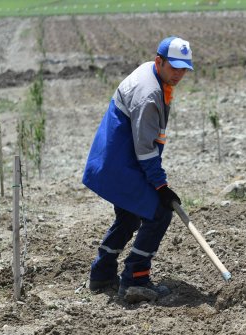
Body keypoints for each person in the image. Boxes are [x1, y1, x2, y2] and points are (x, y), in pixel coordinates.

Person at [82, 36, 193, 303]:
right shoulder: (149, 94)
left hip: (113, 161)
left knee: (130, 217)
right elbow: (145, 150)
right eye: (174, 67)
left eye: (183, 69)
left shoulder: (153, 75)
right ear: (159, 61)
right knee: (158, 214)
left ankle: (102, 273)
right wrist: (161, 186)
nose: (178, 74)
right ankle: (135, 278)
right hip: (120, 166)